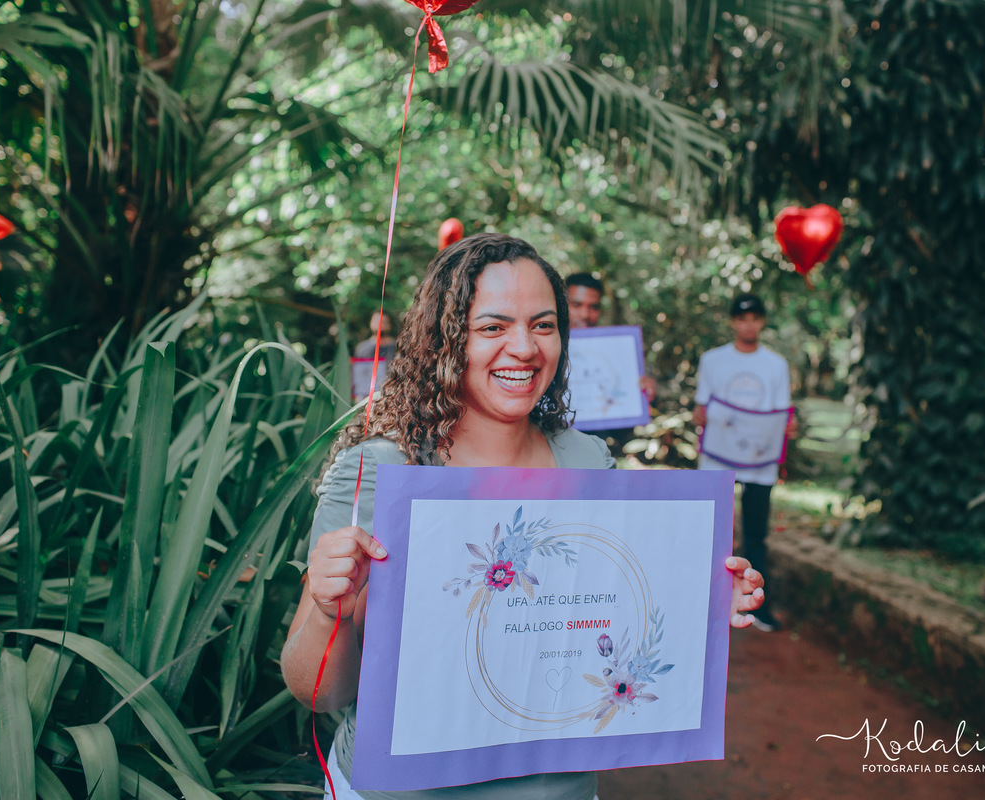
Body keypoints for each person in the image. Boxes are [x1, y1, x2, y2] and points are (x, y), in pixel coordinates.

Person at [281, 233, 766, 799]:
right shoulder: (381, 469)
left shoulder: (585, 459)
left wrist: (701, 601)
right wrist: (327, 611)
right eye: (492, 327)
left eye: (543, 324)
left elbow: (601, 612)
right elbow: (318, 692)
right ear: (446, 338)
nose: (525, 348)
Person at [693, 292, 794, 633]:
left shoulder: (776, 365)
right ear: (733, 321)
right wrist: (704, 418)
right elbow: (700, 410)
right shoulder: (712, 361)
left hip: (759, 462)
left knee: (755, 535)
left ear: (762, 321)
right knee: (709, 533)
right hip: (717, 460)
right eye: (742, 318)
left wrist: (786, 428)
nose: (748, 324)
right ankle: (701, 604)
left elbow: (781, 417)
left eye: (755, 318)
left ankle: (758, 609)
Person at [565, 272, 657, 452]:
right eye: (576, 304)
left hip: (590, 453)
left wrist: (640, 396)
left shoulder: (612, 353)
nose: (585, 314)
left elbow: (620, 432)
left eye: (594, 307)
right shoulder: (538, 345)